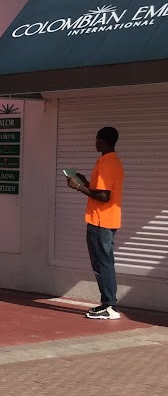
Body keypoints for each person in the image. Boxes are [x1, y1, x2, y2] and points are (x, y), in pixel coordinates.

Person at [67, 126, 124, 320]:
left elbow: (103, 196)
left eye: (97, 139)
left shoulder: (106, 164)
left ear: (105, 141)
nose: (95, 142)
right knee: (103, 262)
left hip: (100, 220)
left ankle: (110, 305)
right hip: (107, 219)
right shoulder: (113, 162)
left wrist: (79, 187)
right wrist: (85, 182)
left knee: (103, 263)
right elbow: (101, 190)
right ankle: (108, 304)